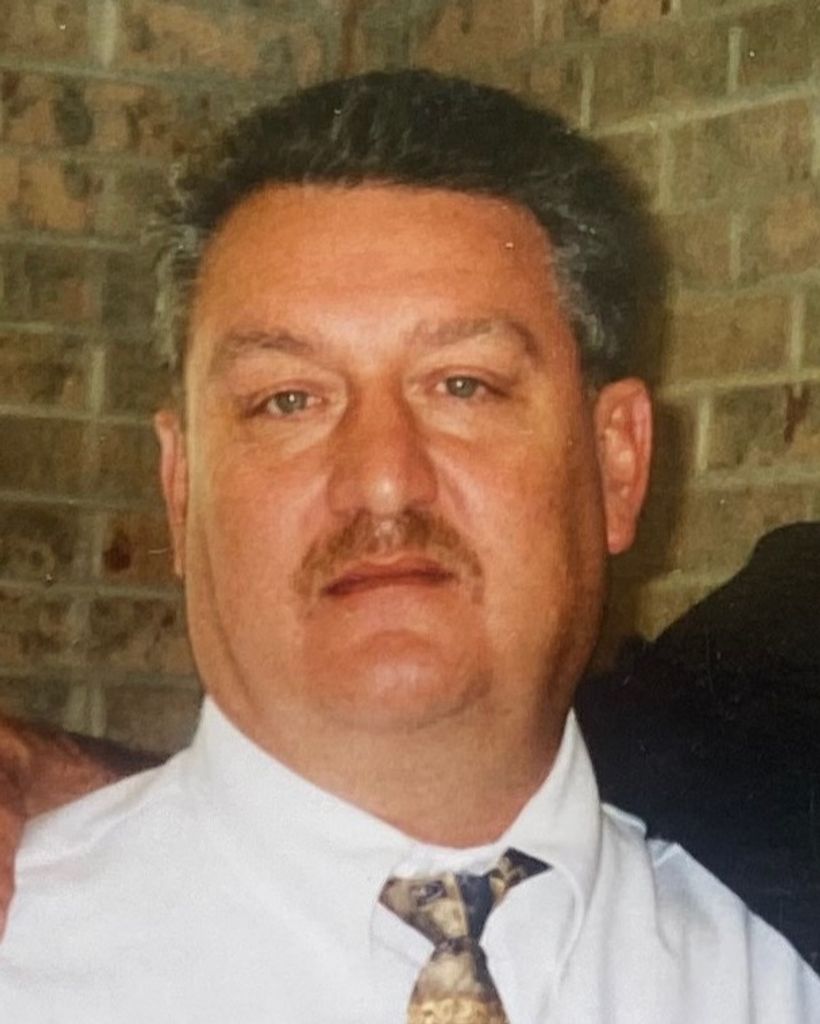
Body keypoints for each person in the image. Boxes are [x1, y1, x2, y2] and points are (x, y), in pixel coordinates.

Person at [0, 69, 816, 1022]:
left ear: (617, 464)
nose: (383, 479)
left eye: (463, 386)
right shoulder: (28, 957)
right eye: (288, 400)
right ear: (181, 489)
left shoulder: (775, 975)